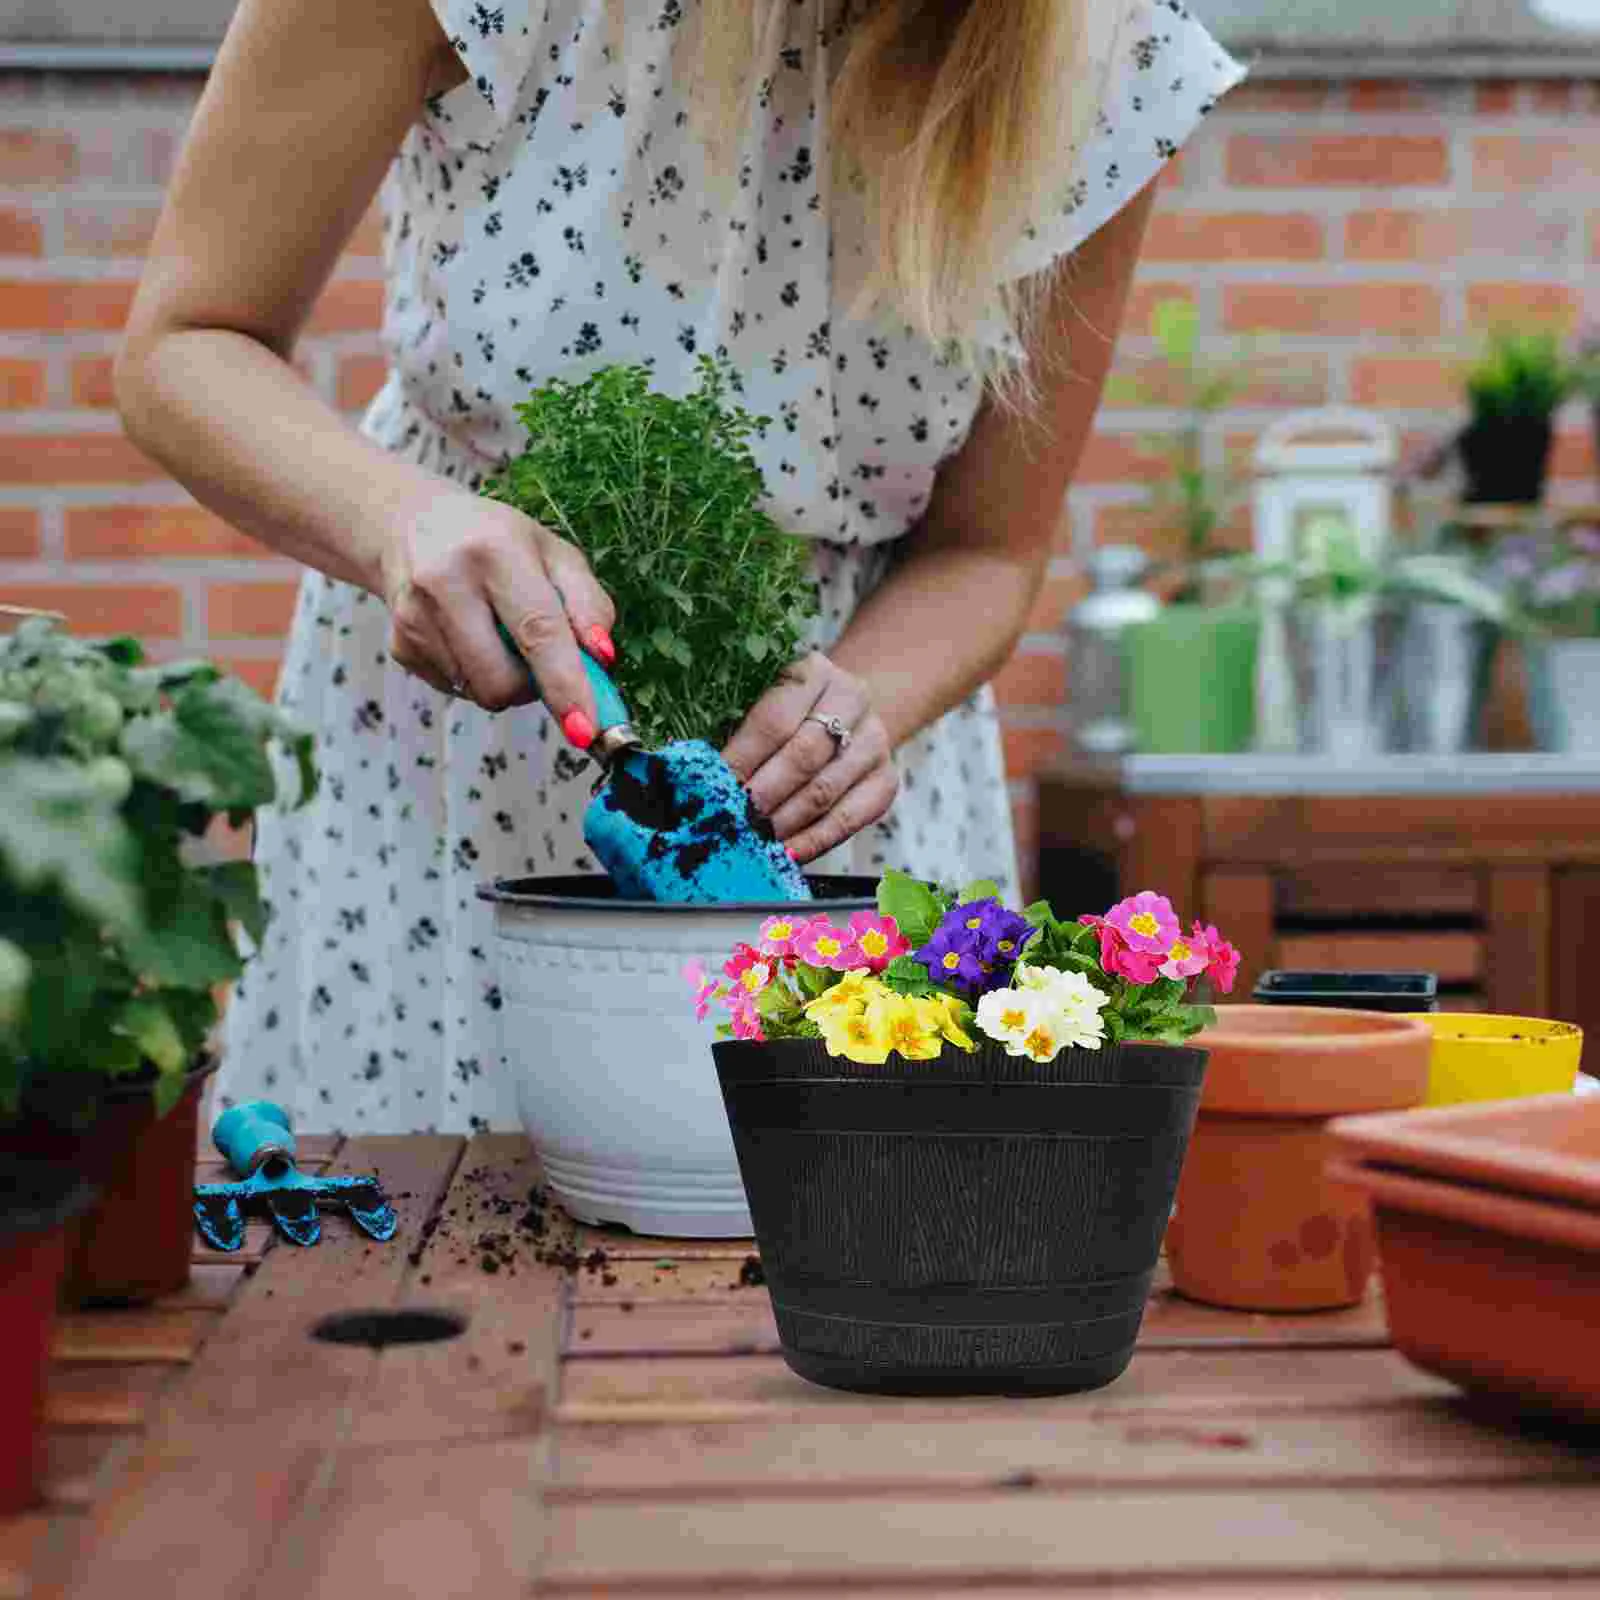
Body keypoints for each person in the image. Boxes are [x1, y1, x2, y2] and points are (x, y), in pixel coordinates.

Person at [115, 0, 1245, 1132]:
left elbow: (987, 551)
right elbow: (186, 343)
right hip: (448, 778)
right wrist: (397, 521)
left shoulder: (1098, 52)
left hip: (836, 822)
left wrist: (855, 715)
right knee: (415, 1254)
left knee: (838, 1262)